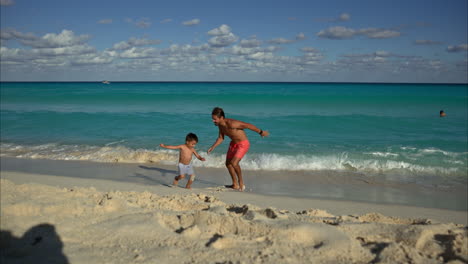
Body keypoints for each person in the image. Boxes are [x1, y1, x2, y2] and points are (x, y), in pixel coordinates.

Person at [207, 107, 269, 191]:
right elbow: (221, 138)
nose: (213, 121)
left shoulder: (232, 123)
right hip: (233, 144)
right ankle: (235, 184)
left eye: (215, 119)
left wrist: (261, 132)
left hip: (243, 144)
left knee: (234, 163)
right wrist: (212, 147)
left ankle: (241, 182)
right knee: (228, 164)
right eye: (213, 119)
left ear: (221, 118)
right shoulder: (220, 126)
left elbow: (247, 125)